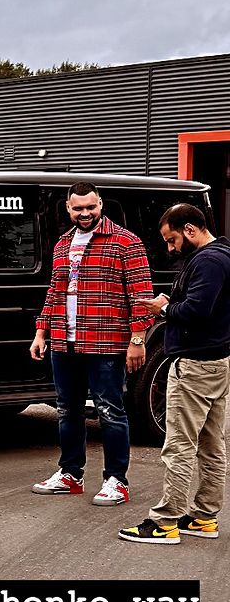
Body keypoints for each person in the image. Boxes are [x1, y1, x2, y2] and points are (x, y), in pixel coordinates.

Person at [29, 182, 153, 505]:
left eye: (90, 207)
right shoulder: (61, 245)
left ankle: (117, 480)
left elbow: (141, 297)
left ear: (101, 204)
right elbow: (54, 293)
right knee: (67, 409)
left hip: (106, 343)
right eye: (77, 208)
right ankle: (71, 474)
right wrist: (41, 332)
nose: (85, 214)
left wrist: (137, 339)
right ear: (68, 209)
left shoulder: (126, 242)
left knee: (110, 410)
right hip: (63, 342)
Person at [118, 203, 230, 544]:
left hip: (195, 366)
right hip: (216, 362)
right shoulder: (223, 254)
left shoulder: (208, 261)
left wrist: (163, 307)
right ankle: (203, 518)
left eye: (172, 239)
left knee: (179, 445)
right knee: (211, 443)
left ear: (191, 230)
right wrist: (173, 300)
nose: (170, 247)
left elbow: (196, 311)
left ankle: (165, 522)